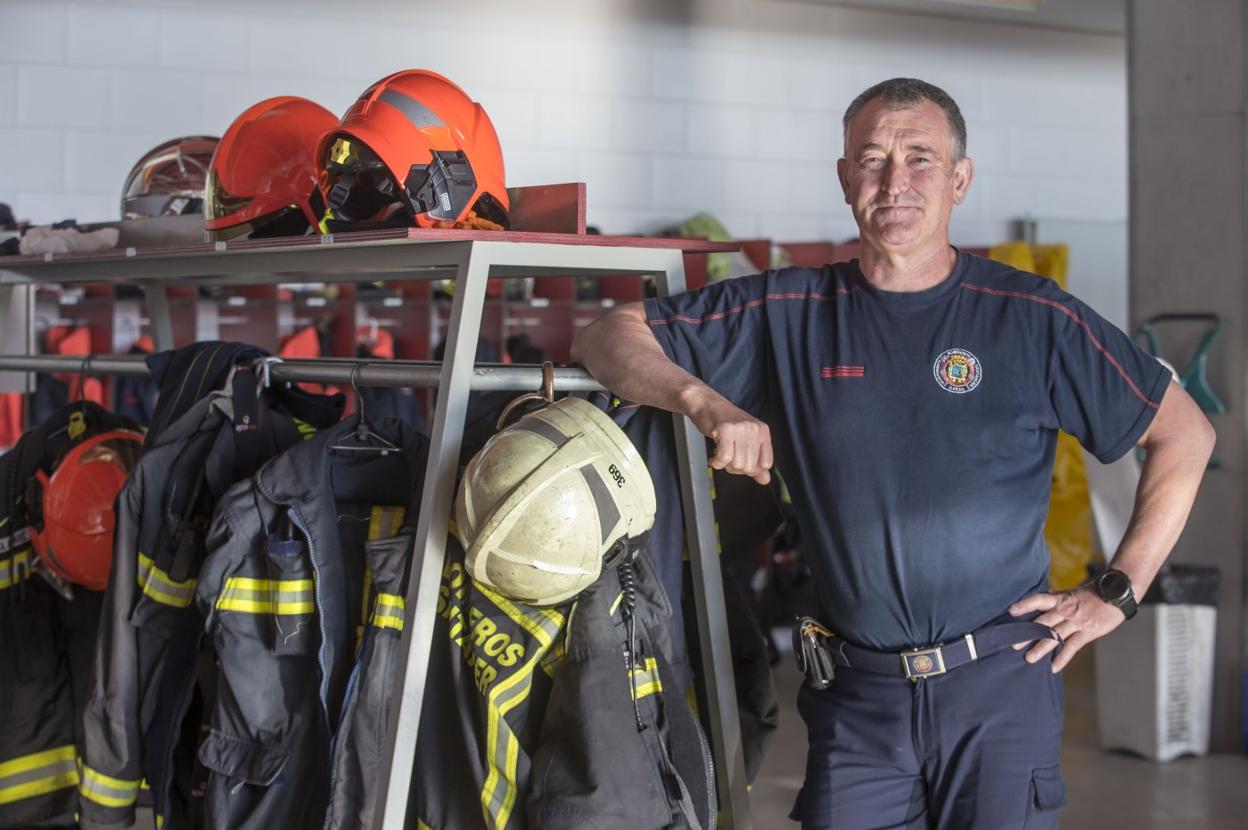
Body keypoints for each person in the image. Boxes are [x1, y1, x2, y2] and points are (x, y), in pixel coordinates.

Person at [571, 77, 1214, 829]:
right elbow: (607, 335)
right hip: (857, 701)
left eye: (920, 159)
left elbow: (1185, 432)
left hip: (1000, 690)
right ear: (846, 179)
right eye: (872, 160)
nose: (894, 182)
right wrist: (705, 402)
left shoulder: (1033, 317)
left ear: (960, 179)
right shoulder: (786, 311)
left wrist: (1117, 592)